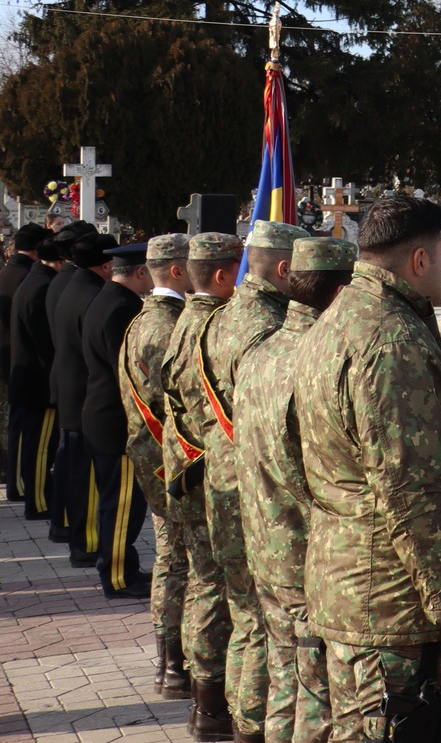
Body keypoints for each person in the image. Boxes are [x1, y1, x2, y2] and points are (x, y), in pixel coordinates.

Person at [295, 196, 441, 742]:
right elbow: (410, 492)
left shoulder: (338, 320)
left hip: (353, 583)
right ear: (419, 260)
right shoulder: (391, 340)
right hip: (392, 604)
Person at [237, 235, 357, 743]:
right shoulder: (321, 356)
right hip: (308, 548)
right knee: (318, 687)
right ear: (340, 291)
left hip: (264, 537)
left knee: (284, 667)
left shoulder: (261, 351)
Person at [199, 219, 310, 739]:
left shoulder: (223, 315)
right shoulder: (267, 325)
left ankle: (225, 718)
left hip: (227, 473)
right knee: (268, 626)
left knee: (247, 614)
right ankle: (252, 723)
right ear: (285, 269)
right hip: (259, 485)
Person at [161, 231, 246, 740]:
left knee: (203, 583)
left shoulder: (184, 321)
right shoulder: (215, 325)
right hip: (214, 476)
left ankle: (203, 697)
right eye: (241, 268)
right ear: (222, 274)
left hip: (190, 471)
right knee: (216, 590)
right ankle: (211, 705)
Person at [119, 233, 194, 694]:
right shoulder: (170, 326)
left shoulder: (141, 319)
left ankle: (170, 661)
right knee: (181, 562)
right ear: (179, 270)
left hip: (154, 458)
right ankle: (176, 663)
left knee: (170, 558)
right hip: (173, 462)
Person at [80, 239, 151, 599]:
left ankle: (123, 566)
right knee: (123, 504)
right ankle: (119, 575)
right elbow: (126, 371)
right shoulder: (122, 309)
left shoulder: (106, 299)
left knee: (115, 501)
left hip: (102, 414)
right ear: (140, 272)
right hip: (115, 421)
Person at [50, 228, 112, 567]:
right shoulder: (91, 295)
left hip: (73, 392)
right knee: (86, 482)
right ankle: (86, 544)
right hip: (85, 396)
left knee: (76, 474)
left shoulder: (72, 285)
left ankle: (79, 537)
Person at [9, 226, 63, 521]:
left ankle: (35, 494)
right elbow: (44, 343)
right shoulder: (41, 286)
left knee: (32, 441)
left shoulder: (33, 279)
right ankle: (39, 501)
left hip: (27, 379)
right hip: (38, 382)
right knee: (41, 446)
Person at [1, 224, 48, 505]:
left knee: (17, 426)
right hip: (22, 362)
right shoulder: (27, 278)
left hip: (11, 361)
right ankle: (20, 483)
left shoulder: (7, 273)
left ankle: (16, 482)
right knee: (26, 430)